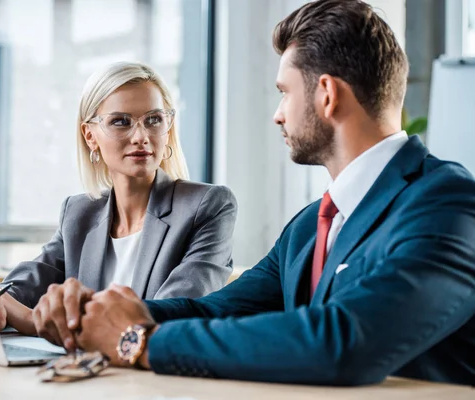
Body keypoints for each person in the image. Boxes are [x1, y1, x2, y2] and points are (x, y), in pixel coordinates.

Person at [31, 0, 475, 386]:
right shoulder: (307, 227)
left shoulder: (448, 204)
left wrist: (138, 341)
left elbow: (342, 342)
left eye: (284, 93)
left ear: (326, 95)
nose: (278, 115)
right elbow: (216, 312)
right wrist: (96, 313)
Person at [0, 62, 238, 345]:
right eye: (121, 121)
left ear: (168, 127)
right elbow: (27, 282)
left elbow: (176, 312)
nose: (141, 137)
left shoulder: (208, 206)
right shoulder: (79, 213)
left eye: (153, 120)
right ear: (90, 136)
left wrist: (31, 321)